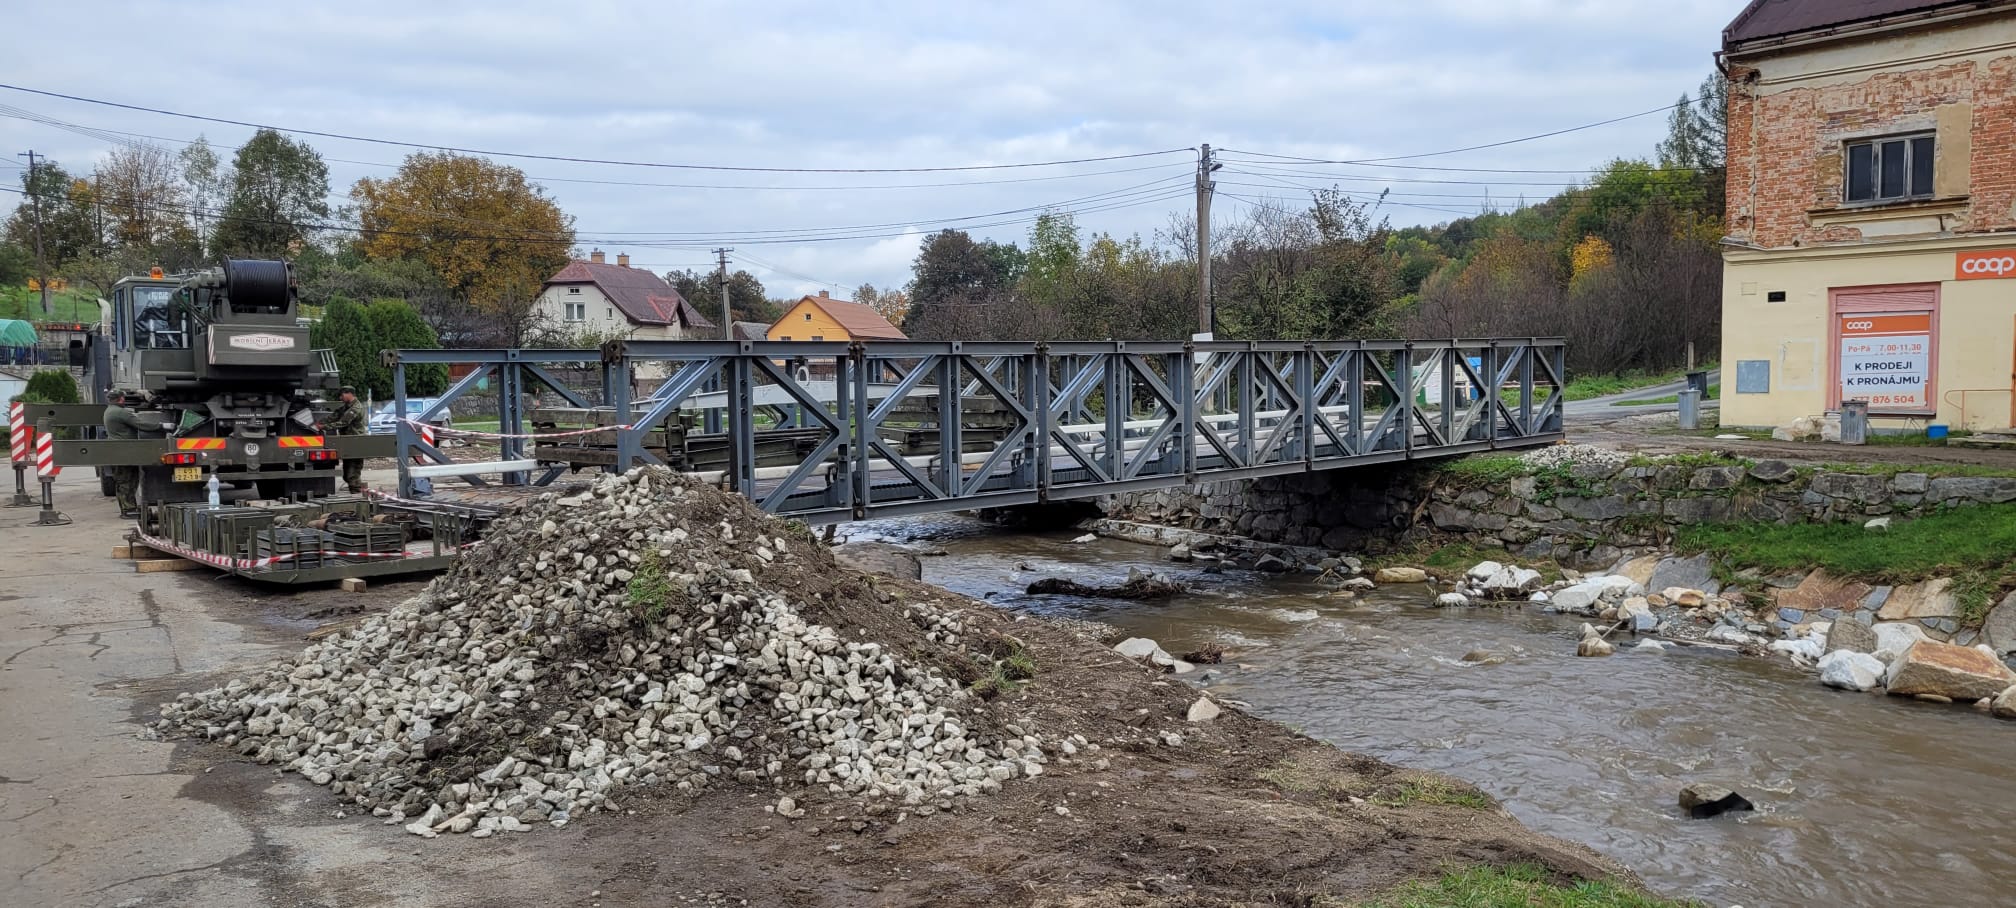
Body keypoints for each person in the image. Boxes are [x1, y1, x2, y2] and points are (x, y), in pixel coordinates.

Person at [103, 389, 149, 518]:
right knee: (127, 481)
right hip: (124, 452)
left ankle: (127, 508)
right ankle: (128, 510)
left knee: (122, 481)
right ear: (121, 399)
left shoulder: (110, 410)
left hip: (118, 451)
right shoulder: (120, 412)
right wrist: (161, 426)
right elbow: (141, 424)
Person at [325, 385, 368, 493]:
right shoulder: (346, 407)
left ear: (349, 393)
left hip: (355, 442)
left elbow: (343, 422)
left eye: (342, 395)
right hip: (348, 442)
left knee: (352, 474)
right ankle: (356, 491)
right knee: (346, 474)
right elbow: (334, 416)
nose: (340, 398)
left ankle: (358, 496)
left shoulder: (356, 408)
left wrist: (324, 427)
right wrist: (321, 421)